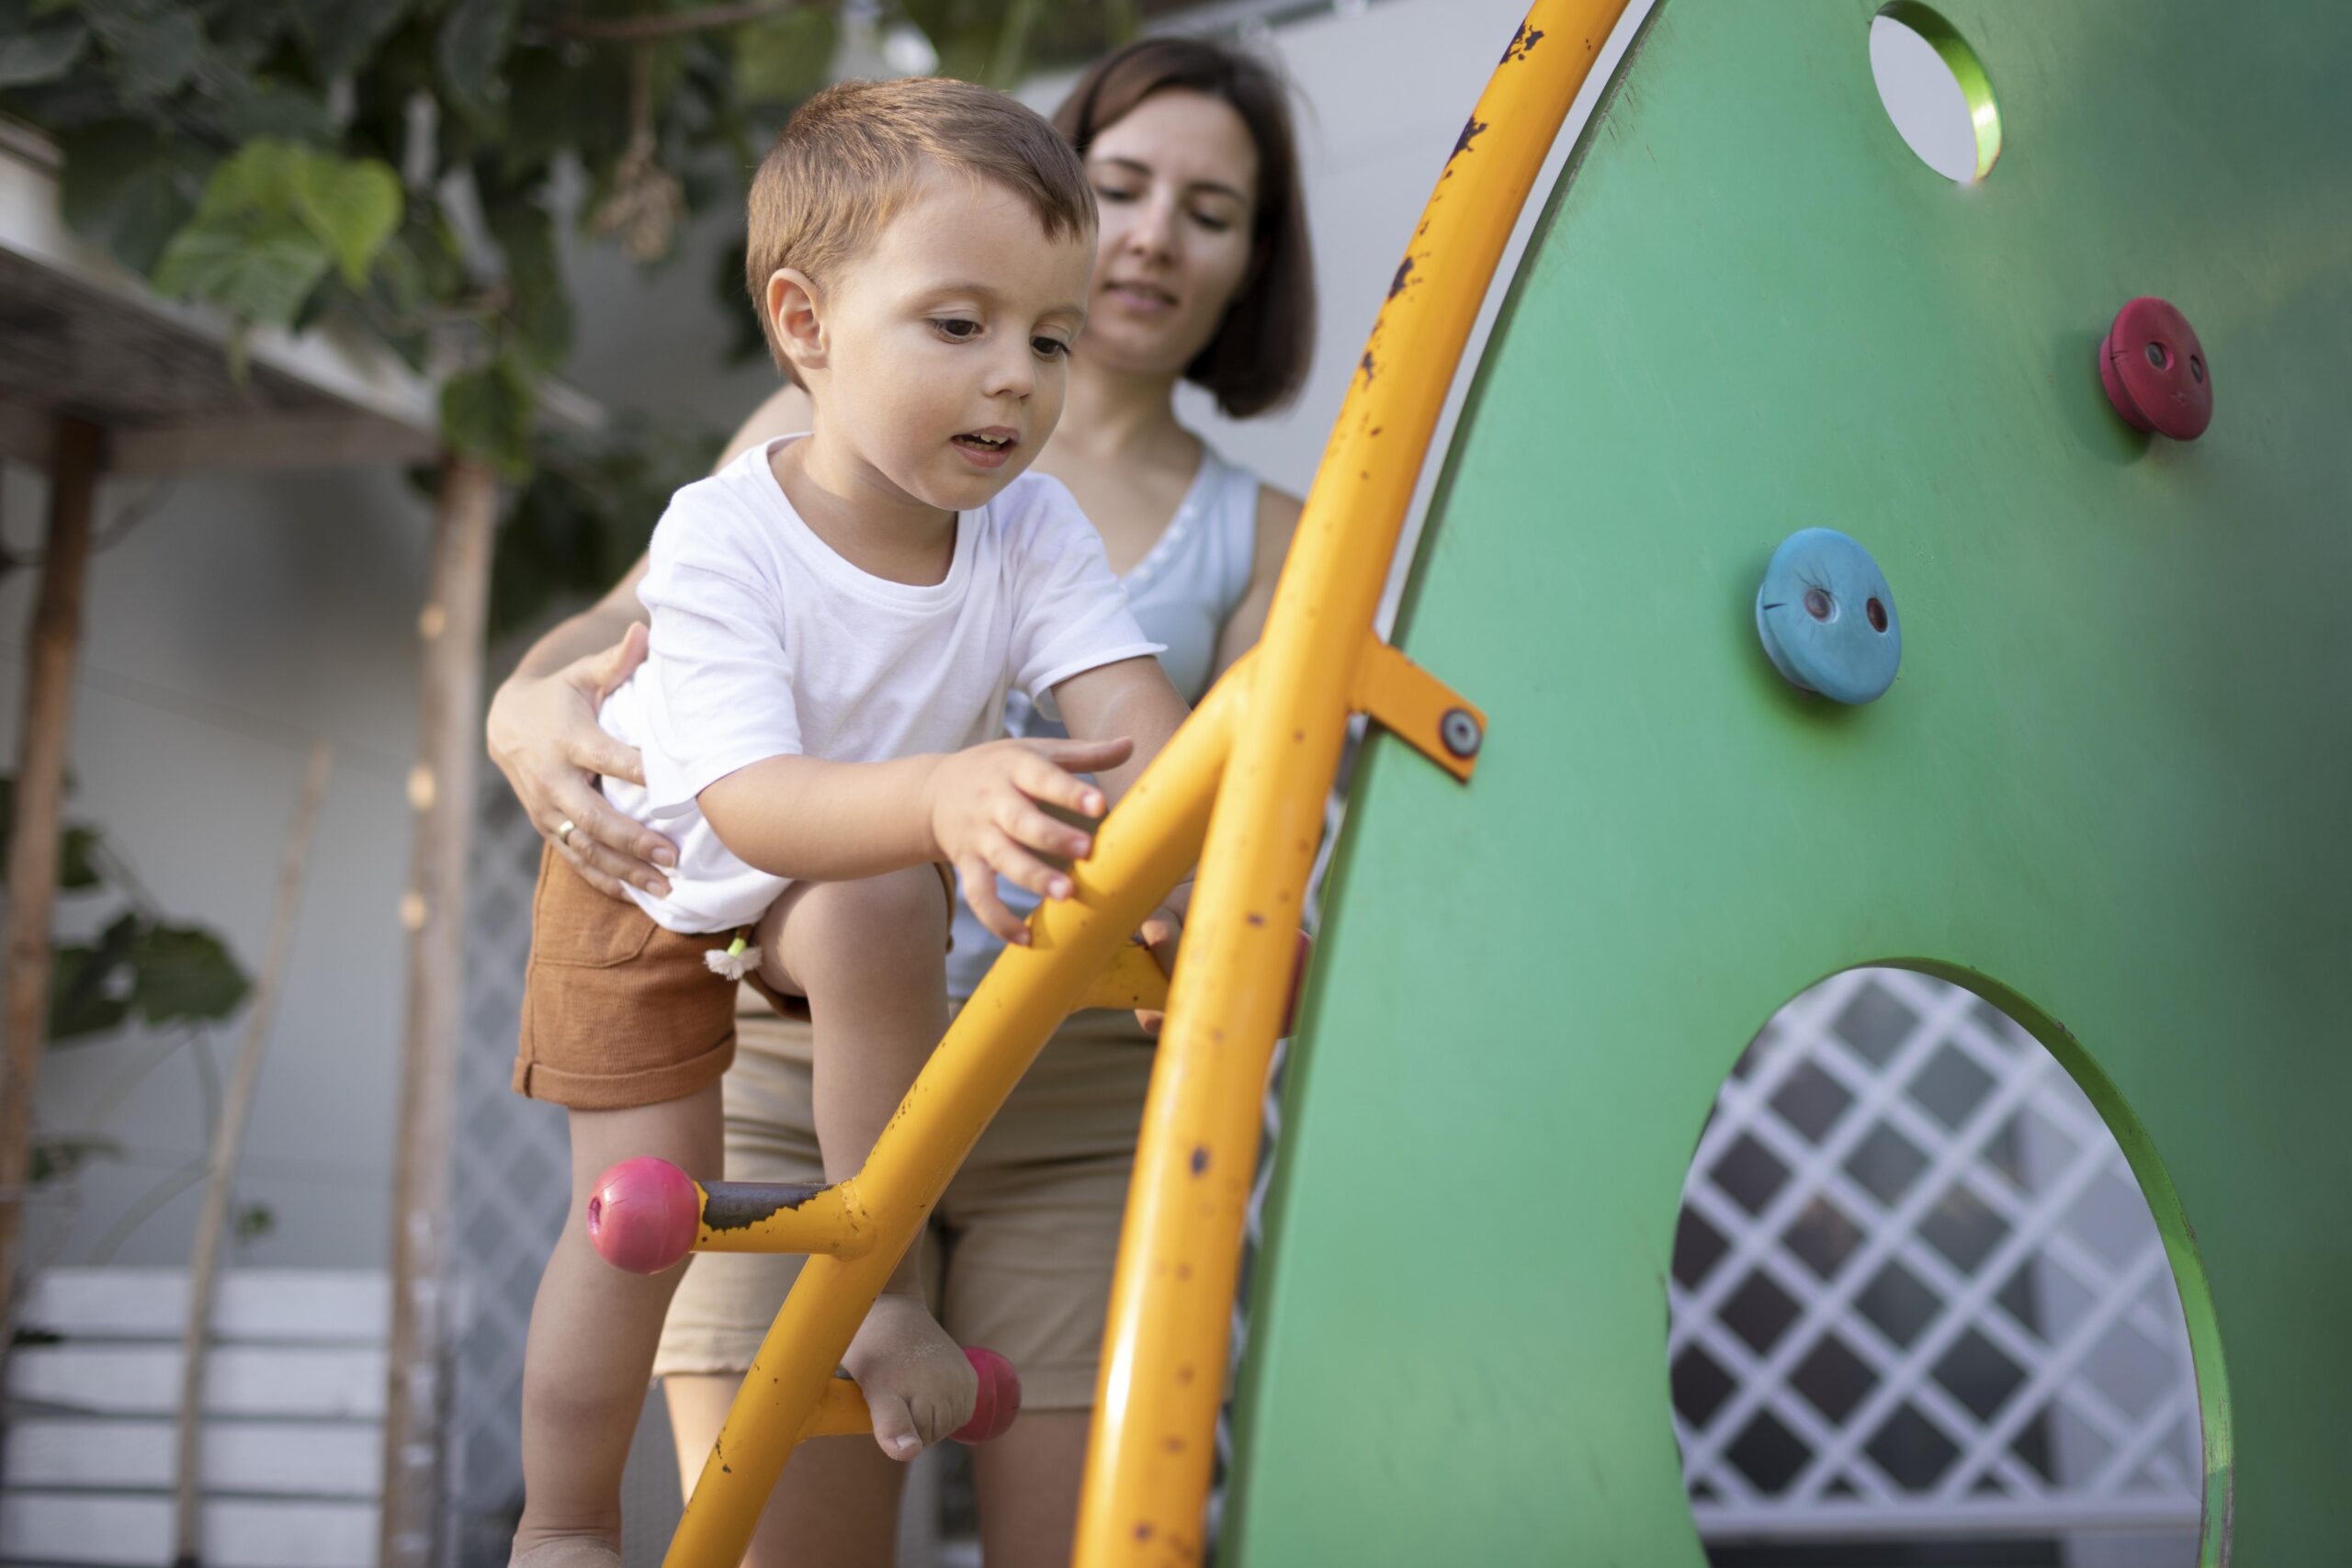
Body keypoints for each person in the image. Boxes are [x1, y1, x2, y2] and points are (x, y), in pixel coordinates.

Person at [485, 37, 1316, 1566]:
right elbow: (737, 803)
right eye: (962, 323)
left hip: (933, 981)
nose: (1015, 372)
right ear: (805, 327)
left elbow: (1141, 731)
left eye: (1047, 341)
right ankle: (566, 1521)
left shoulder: (1032, 524)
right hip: (655, 884)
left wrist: (1198, 873)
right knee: (636, 1223)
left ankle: (872, 1298)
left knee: (881, 904)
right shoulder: (733, 524)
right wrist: (942, 789)